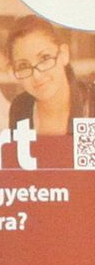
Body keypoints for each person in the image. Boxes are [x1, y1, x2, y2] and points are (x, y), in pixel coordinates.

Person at [7, 14, 95, 168]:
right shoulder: (20, 108)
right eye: (23, 66)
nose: (37, 75)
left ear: (63, 55)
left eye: (44, 58)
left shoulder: (91, 101)